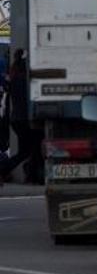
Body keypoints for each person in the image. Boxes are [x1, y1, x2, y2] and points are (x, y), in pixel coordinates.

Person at [0, 49, 41, 184]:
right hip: (25, 119)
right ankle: (30, 175)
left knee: (25, 150)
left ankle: (27, 173)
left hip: (16, 119)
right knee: (33, 148)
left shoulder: (13, 79)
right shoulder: (26, 81)